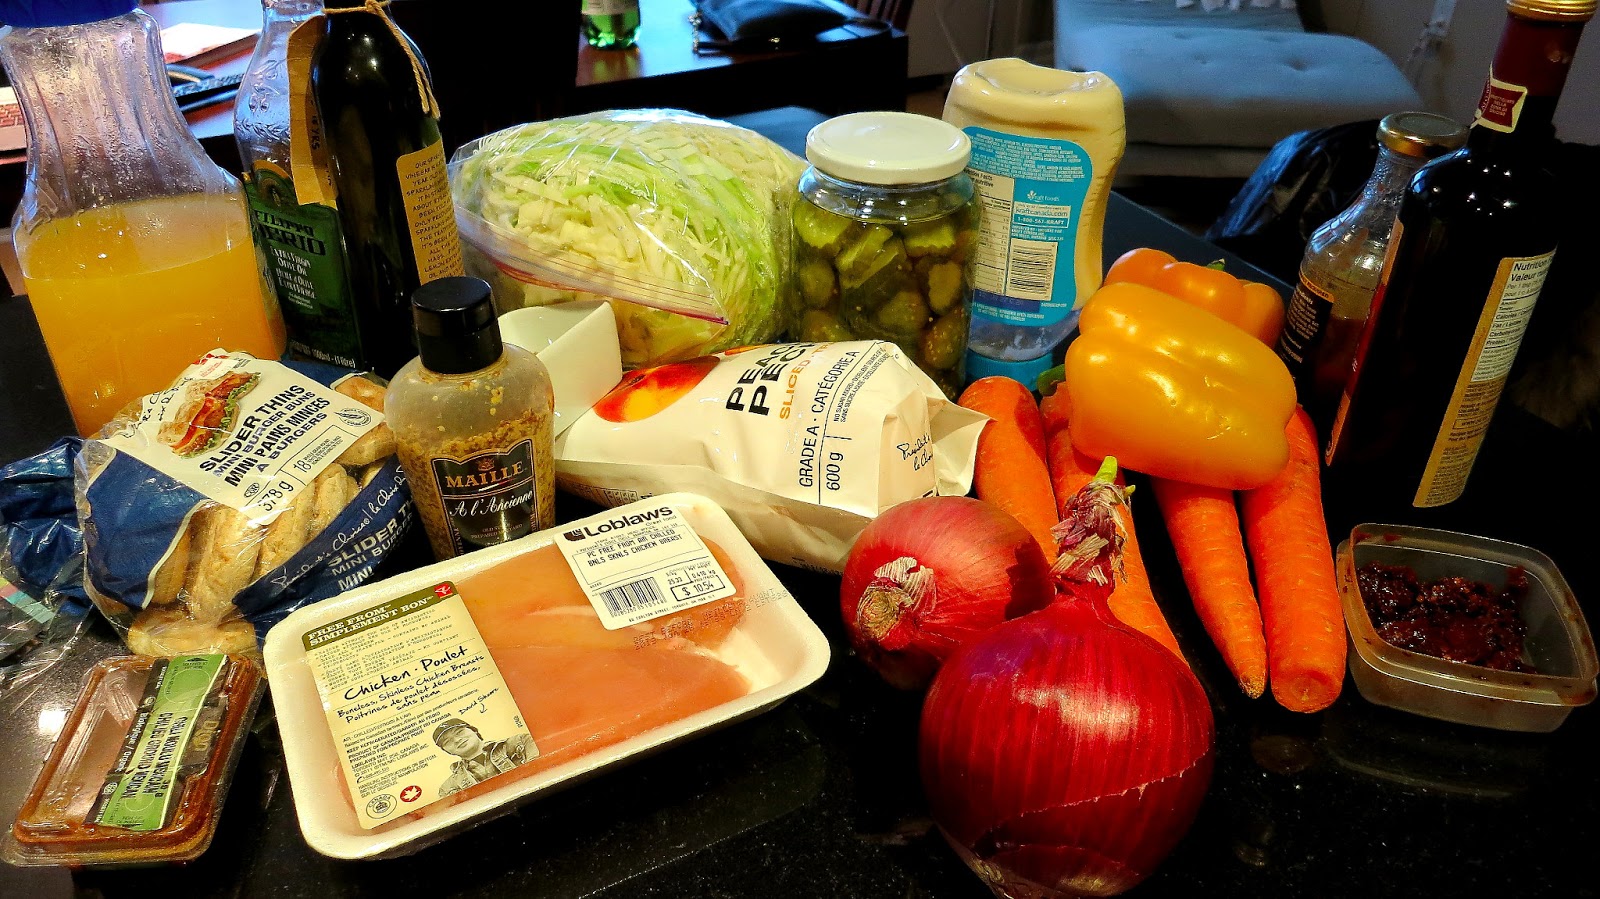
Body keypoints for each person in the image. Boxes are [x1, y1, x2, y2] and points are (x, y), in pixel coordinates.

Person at [431, 717, 535, 797]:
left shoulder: (521, 741)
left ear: (474, 730)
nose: (457, 740)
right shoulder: (449, 787)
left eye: (459, 732)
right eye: (447, 741)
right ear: (446, 750)